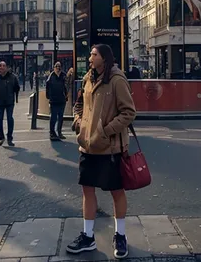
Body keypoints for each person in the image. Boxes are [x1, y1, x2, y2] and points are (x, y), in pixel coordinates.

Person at [67, 44, 136, 259]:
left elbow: (129, 112)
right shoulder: (88, 79)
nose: (90, 57)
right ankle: (88, 237)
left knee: (116, 192)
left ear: (104, 58)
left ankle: (120, 235)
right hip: (87, 146)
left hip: (111, 148)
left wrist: (105, 131)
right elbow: (78, 104)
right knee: (87, 190)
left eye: (94, 54)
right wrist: (79, 123)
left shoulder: (117, 80)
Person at [0, 62, 20, 147]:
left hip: (9, 101)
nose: (1, 68)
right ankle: (1, 136)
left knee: (10, 118)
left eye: (3, 66)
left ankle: (9, 137)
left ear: (6, 68)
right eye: (0, 66)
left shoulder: (12, 77)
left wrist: (14, 90)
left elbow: (17, 87)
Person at [46, 62, 67, 141]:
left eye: (59, 66)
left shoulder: (63, 75)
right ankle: (52, 133)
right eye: (56, 66)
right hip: (54, 100)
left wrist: (66, 95)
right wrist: (49, 96)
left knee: (61, 117)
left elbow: (65, 86)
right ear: (54, 67)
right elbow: (47, 86)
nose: (58, 68)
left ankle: (59, 132)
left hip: (61, 99)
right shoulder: (51, 76)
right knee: (53, 117)